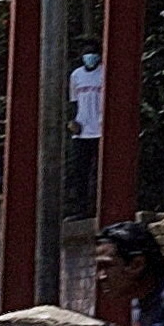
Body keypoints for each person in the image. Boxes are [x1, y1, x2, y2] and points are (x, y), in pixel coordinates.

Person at [67, 41, 102, 220]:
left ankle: (97, 207)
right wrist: (73, 121)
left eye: (93, 53)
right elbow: (73, 101)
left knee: (98, 172)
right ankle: (80, 209)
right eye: (87, 54)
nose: (90, 57)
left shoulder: (104, 73)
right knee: (80, 172)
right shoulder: (76, 75)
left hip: (100, 130)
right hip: (82, 131)